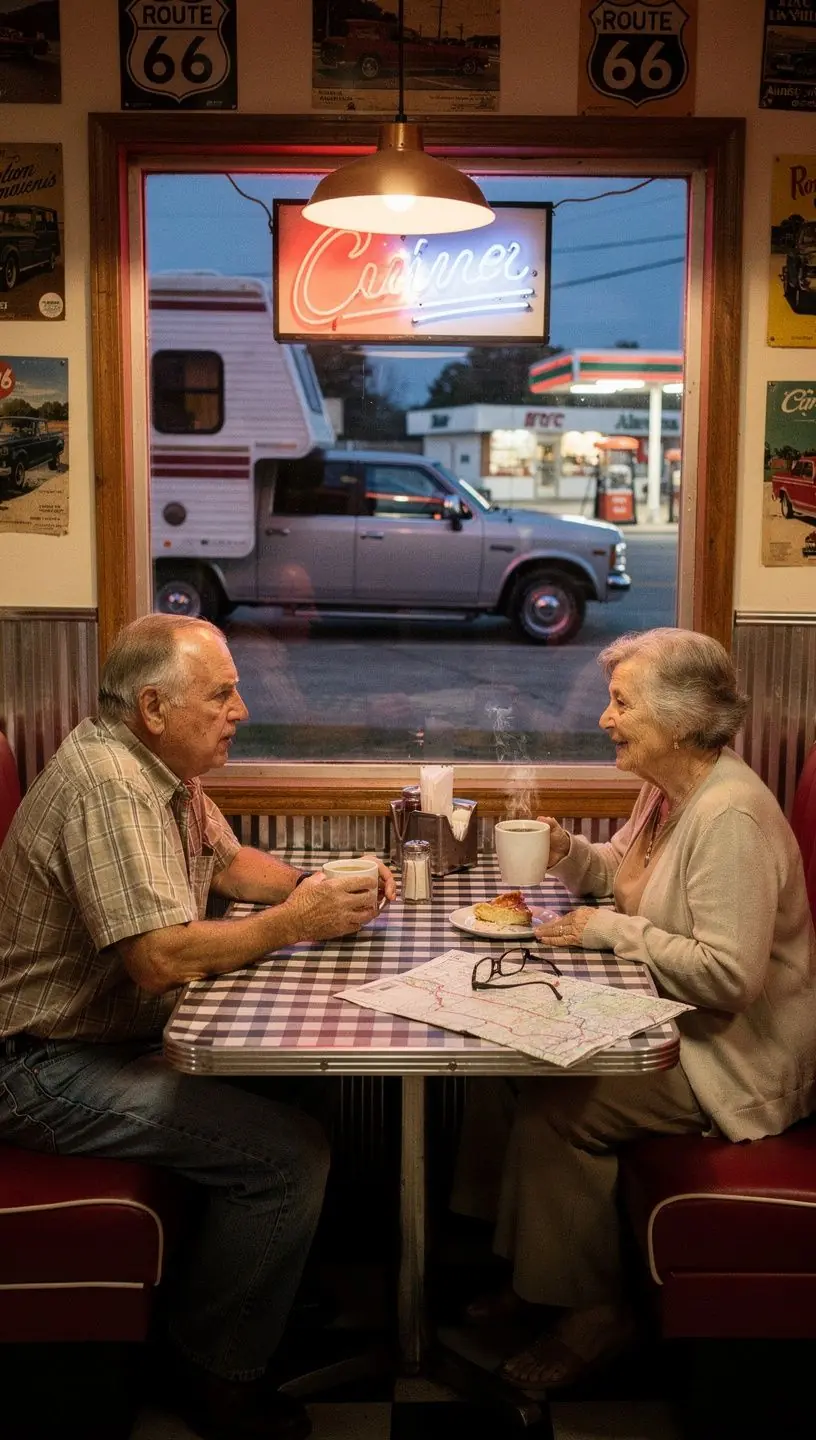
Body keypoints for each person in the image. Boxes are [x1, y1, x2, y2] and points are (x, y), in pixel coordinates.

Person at [0, 614, 396, 1440]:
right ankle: (215, 1373)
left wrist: (322, 887)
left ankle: (257, 1293)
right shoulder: (108, 785)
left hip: (107, 1037)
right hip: (37, 1067)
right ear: (153, 707)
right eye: (220, 694)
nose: (239, 710)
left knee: (301, 1088)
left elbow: (232, 864)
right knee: (289, 1157)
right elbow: (158, 959)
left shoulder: (164, 769)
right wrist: (298, 921)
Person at [454, 627, 816, 1395]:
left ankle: (595, 1314)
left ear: (681, 720)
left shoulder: (730, 816)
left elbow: (730, 979)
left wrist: (610, 931)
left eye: (622, 704)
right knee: (497, 1063)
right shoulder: (667, 788)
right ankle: (526, 1274)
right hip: (674, 1019)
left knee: (558, 1106)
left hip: (735, 1052)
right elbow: (622, 874)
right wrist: (565, 851)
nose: (604, 719)